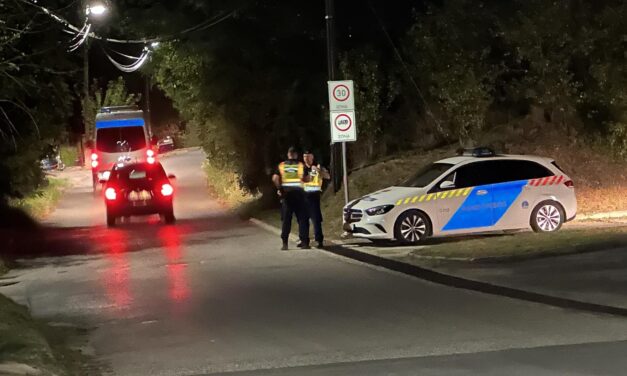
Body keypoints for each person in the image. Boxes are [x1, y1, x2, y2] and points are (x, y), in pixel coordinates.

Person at [272, 147, 310, 250]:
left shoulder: (282, 165)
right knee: (302, 219)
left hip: (287, 196)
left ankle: (285, 243)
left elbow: (275, 178)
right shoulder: (301, 165)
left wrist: (280, 188)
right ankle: (305, 242)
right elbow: (307, 179)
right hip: (299, 195)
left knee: (286, 220)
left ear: (288, 154)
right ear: (296, 155)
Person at [302, 150, 331, 249]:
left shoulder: (318, 166)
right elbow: (305, 179)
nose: (306, 158)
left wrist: (319, 171)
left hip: (314, 197)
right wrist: (313, 172)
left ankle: (319, 240)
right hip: (303, 196)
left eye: (308, 156)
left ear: (312, 157)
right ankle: (304, 241)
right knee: (303, 220)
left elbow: (327, 176)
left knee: (316, 220)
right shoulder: (301, 168)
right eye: (305, 156)